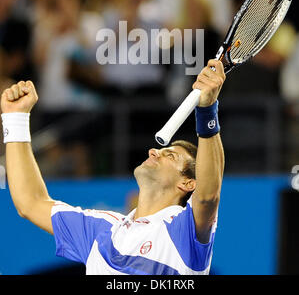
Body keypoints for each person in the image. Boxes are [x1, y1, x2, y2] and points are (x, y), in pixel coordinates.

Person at [1, 58, 225, 275]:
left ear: (188, 183)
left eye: (171, 156)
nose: (154, 151)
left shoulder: (185, 229)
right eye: (160, 149)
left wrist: (207, 110)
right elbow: (30, 203)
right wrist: (15, 119)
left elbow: (207, 196)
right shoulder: (101, 229)